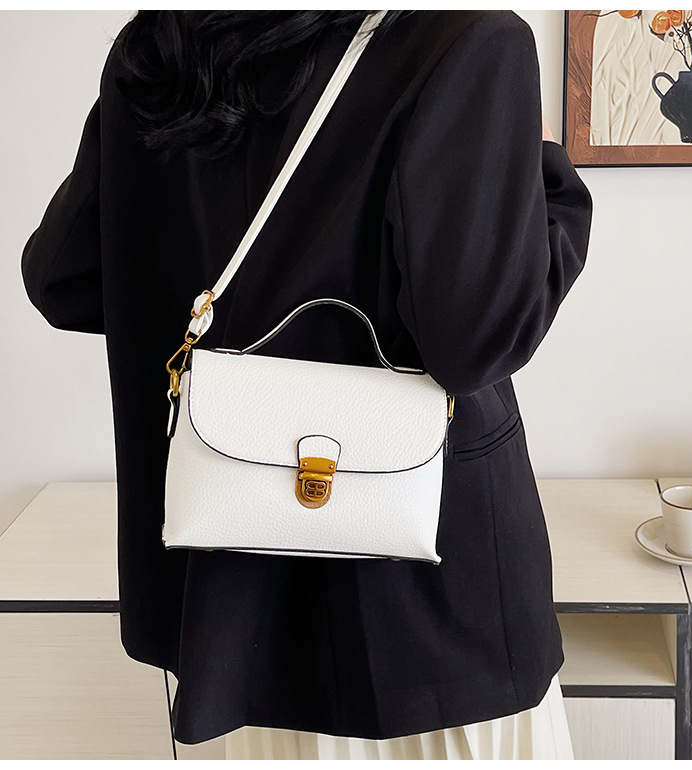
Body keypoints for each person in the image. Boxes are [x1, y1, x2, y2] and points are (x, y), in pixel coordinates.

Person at [21, 10, 593, 760]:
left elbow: (65, 280)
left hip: (233, 614)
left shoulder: (165, 43)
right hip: (428, 624)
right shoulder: (464, 37)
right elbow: (478, 336)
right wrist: (546, 177)